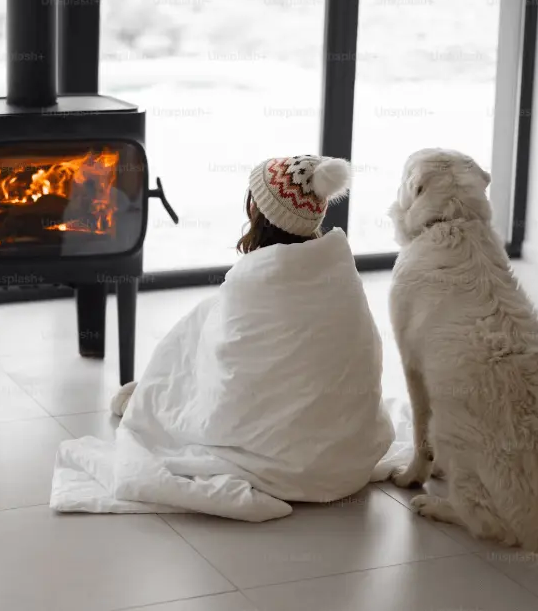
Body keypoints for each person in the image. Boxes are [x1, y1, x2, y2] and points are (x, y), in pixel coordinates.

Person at [52, 155, 408, 521]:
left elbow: (226, 365)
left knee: (203, 321)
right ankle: (154, 392)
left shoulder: (252, 282)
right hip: (349, 459)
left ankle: (155, 395)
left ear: (258, 209)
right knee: (217, 317)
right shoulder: (339, 273)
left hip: (287, 462)